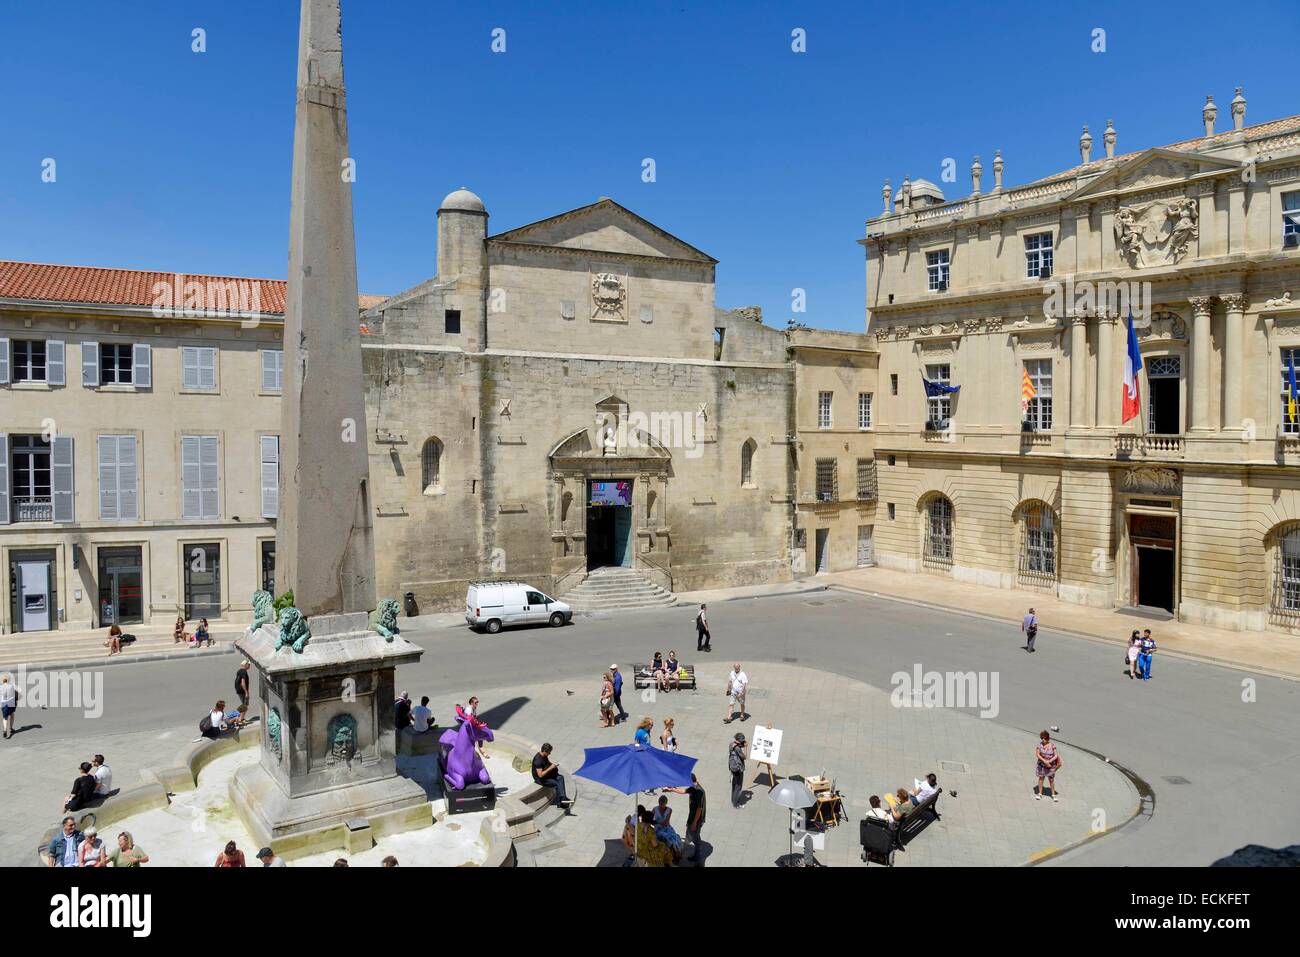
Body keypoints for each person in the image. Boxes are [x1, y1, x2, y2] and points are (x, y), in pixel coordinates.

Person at [665, 773, 706, 863]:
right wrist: (672, 790)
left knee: (691, 839)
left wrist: (695, 822)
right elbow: (684, 791)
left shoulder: (699, 792)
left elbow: (699, 809)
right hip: (693, 819)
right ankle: (696, 857)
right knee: (694, 837)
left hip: (696, 820)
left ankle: (688, 859)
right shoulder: (693, 787)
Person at [530, 743, 571, 809]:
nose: (550, 754)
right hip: (540, 780)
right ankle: (559, 803)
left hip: (547, 776)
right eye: (549, 752)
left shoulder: (544, 756)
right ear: (544, 751)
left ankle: (563, 798)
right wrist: (551, 768)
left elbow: (547, 763)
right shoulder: (538, 760)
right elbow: (540, 775)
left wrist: (553, 765)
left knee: (560, 777)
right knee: (556, 784)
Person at [653, 794, 683, 859]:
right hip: (658, 830)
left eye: (662, 804)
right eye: (660, 804)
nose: (661, 806)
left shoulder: (669, 810)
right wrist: (656, 823)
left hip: (667, 828)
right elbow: (650, 819)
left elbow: (666, 823)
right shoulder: (655, 809)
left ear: (666, 803)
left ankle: (677, 853)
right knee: (668, 838)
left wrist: (656, 822)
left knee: (674, 838)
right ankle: (673, 853)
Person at [1035, 730, 1062, 802]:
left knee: (1051, 780)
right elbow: (1037, 754)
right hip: (1042, 765)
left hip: (1050, 765)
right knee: (1041, 778)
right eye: (1042, 738)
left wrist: (1049, 761)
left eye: (1045, 738)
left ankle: (1053, 794)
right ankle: (1040, 793)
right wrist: (1044, 761)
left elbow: (1056, 755)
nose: (1043, 740)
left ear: (1048, 738)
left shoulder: (1052, 745)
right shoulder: (1039, 745)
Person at [728, 733, 747, 808]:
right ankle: (736, 804)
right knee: (738, 787)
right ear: (739, 740)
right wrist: (746, 748)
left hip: (732, 768)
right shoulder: (738, 749)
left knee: (734, 784)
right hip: (738, 769)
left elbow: (736, 747)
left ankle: (733, 800)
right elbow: (744, 757)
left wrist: (742, 745)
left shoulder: (731, 744)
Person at [1, 672, 19, 739]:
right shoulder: (12, 686)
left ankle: (5, 729)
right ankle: (11, 729)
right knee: (12, 715)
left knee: (5, 717)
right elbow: (16, 694)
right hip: (11, 703)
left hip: (3, 704)